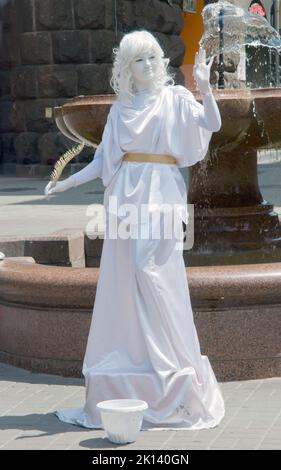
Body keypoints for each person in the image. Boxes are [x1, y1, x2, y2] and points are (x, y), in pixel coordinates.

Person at [45, 30, 225, 431]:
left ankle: (177, 362)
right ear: (126, 69)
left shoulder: (175, 98)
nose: (149, 65)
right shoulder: (121, 109)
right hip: (125, 196)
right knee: (125, 279)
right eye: (139, 60)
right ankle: (136, 357)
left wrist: (206, 87)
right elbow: (102, 162)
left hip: (161, 191)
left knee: (153, 271)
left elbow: (210, 124)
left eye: (153, 57)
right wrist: (65, 184)